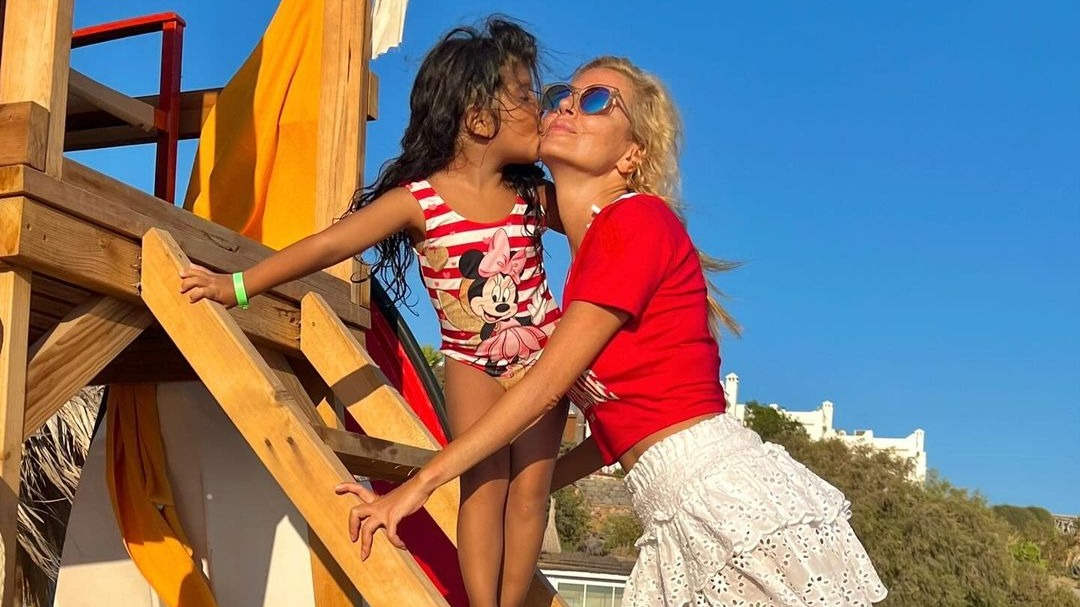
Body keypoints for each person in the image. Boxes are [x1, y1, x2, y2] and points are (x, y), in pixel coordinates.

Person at [337, 56, 888, 606]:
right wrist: (524, 485)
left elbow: (544, 387)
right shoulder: (594, 256)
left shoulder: (635, 221)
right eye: (561, 96)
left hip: (725, 504)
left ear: (631, 154)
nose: (567, 107)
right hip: (675, 512)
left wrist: (417, 487)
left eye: (597, 99)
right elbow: (617, 431)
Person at [179, 18, 568, 607]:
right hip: (473, 365)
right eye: (523, 95)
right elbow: (329, 245)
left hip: (544, 357)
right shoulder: (421, 201)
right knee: (483, 487)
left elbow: (604, 227)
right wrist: (236, 284)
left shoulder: (533, 197)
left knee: (531, 493)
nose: (539, 108)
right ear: (478, 118)